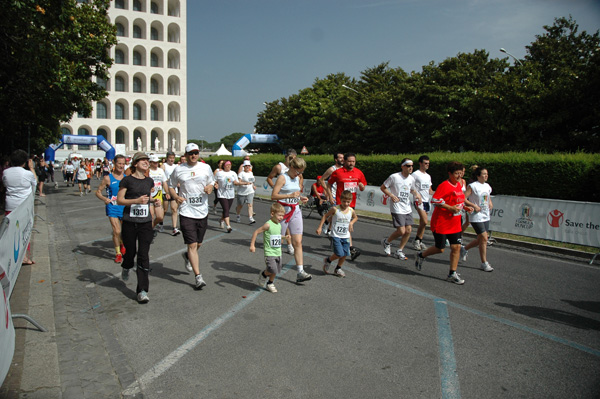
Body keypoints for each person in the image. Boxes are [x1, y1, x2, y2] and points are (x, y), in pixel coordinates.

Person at [414, 161, 474, 285]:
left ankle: (452, 273)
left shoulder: (458, 185)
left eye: (461, 173)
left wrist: (465, 208)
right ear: (450, 174)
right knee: (440, 248)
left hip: (455, 223)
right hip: (442, 222)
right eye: (456, 174)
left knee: (456, 247)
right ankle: (421, 255)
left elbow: (459, 200)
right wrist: (450, 208)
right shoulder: (444, 185)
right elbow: (435, 200)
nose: (459, 176)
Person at [168, 143, 215, 289]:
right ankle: (198, 277)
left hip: (202, 211)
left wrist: (210, 187)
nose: (193, 155)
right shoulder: (179, 169)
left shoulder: (205, 167)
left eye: (196, 152)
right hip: (186, 211)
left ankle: (187, 256)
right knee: (192, 244)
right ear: (186, 155)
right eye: (190, 153)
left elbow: (212, 182)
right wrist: (176, 196)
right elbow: (170, 185)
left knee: (198, 243)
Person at [117, 152, 156, 303]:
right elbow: (120, 200)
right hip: (130, 222)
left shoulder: (149, 181)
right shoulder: (127, 180)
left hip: (145, 223)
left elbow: (146, 198)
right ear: (135, 164)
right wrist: (137, 200)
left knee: (143, 255)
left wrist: (153, 202)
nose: (146, 162)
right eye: (142, 160)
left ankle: (142, 290)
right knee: (130, 252)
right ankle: (126, 266)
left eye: (147, 160)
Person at [271, 156, 312, 283]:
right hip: (282, 213)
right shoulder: (283, 177)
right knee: (278, 243)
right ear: (292, 167)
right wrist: (290, 195)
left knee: (298, 242)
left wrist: (301, 198)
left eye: (301, 172)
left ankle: (300, 271)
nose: (299, 174)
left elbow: (296, 194)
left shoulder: (297, 178)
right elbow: (273, 196)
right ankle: (271, 269)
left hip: (295, 211)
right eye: (297, 171)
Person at [326, 153, 367, 261]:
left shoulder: (358, 172)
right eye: (349, 161)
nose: (351, 163)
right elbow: (328, 184)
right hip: (339, 203)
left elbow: (362, 187)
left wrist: (362, 187)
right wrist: (330, 196)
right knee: (343, 225)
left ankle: (331, 230)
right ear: (344, 161)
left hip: (351, 204)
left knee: (346, 225)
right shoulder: (337, 172)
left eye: (353, 161)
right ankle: (348, 247)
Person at [380, 158, 422, 260]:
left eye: (412, 166)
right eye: (408, 166)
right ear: (402, 166)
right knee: (401, 231)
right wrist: (391, 195)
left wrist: (417, 195)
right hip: (397, 207)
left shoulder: (411, 178)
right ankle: (386, 242)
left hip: (407, 207)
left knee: (408, 230)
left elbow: (412, 189)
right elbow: (383, 187)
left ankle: (399, 250)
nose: (410, 168)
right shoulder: (394, 177)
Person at [2, 150, 37, 265]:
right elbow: (35, 183)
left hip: (10, 205)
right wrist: (31, 168)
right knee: (25, 231)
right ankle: (24, 257)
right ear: (25, 162)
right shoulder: (27, 173)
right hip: (24, 206)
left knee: (11, 232)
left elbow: (4, 184)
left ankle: (9, 256)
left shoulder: (6, 172)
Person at [266, 148, 300, 255]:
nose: (293, 161)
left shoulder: (296, 170)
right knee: (281, 225)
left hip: (292, 201)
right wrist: (275, 188)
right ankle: (283, 246)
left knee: (287, 224)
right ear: (286, 158)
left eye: (294, 159)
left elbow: (300, 179)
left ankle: (288, 245)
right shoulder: (279, 167)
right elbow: (269, 178)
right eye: (291, 159)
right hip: (282, 199)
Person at [316, 190, 357, 278]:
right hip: (336, 235)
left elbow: (355, 217)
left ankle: (338, 268)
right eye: (344, 201)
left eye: (348, 202)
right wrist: (320, 227)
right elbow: (325, 216)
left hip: (345, 235)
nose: (346, 203)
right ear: (340, 200)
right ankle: (328, 260)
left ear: (351, 201)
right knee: (339, 254)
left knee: (345, 253)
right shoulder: (335, 209)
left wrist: (351, 223)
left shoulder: (351, 210)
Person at [249, 203, 289, 293]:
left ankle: (270, 283)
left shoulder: (279, 225)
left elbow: (277, 235)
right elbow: (256, 232)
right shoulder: (268, 225)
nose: (281, 217)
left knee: (276, 270)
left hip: (278, 252)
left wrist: (284, 237)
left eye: (283, 215)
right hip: (269, 252)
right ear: (272, 214)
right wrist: (252, 245)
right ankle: (263, 274)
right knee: (272, 269)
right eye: (279, 215)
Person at [460, 167, 494, 272]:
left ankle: (464, 249)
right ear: (478, 176)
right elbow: (463, 198)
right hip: (476, 215)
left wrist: (490, 202)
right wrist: (473, 206)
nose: (486, 176)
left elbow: (487, 196)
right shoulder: (473, 186)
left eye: (487, 174)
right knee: (484, 237)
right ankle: (484, 263)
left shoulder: (487, 186)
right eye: (484, 174)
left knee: (481, 239)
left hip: (485, 214)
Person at [95, 155, 126, 263]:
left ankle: (122, 243)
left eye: (123, 164)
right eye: (119, 164)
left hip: (124, 207)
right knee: (116, 230)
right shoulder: (108, 178)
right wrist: (104, 198)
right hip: (112, 207)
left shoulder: (126, 178)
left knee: (124, 231)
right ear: (114, 163)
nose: (121, 166)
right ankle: (118, 253)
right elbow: (98, 192)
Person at [412, 155, 435, 250]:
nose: (427, 165)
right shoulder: (415, 174)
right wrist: (417, 195)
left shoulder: (428, 176)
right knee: (425, 221)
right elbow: (410, 186)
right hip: (418, 201)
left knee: (423, 223)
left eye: (428, 164)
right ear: (420, 163)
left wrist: (439, 193)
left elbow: (430, 190)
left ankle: (418, 241)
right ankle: (417, 240)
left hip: (426, 201)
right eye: (425, 163)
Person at [214, 160, 240, 232]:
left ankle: (221, 220)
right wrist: (215, 184)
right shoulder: (219, 173)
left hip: (231, 194)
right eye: (227, 165)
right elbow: (213, 181)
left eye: (230, 165)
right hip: (222, 194)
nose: (228, 166)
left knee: (227, 210)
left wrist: (239, 183)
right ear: (224, 166)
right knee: (225, 209)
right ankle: (228, 226)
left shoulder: (233, 173)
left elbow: (236, 182)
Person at [148, 154, 169, 235]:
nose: (156, 164)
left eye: (157, 162)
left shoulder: (160, 171)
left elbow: (164, 183)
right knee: (151, 216)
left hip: (158, 197)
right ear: (150, 163)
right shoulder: (147, 171)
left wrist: (167, 192)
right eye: (154, 162)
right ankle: (149, 232)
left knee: (160, 217)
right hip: (150, 197)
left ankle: (151, 228)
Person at [162, 151, 181, 236]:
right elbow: (161, 177)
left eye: (173, 158)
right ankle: (160, 223)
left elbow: (179, 177)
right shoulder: (163, 166)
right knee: (165, 210)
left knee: (174, 209)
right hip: (165, 190)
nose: (172, 159)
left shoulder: (176, 166)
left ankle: (174, 228)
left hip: (174, 190)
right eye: (170, 158)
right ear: (167, 158)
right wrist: (167, 180)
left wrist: (178, 182)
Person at [235, 160, 256, 224]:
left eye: (248, 166)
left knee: (250, 205)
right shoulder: (241, 173)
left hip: (250, 191)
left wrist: (253, 186)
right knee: (240, 205)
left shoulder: (251, 173)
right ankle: (238, 215)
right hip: (242, 192)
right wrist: (245, 183)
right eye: (246, 166)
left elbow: (251, 181)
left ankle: (250, 218)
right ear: (244, 167)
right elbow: (238, 182)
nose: (247, 167)